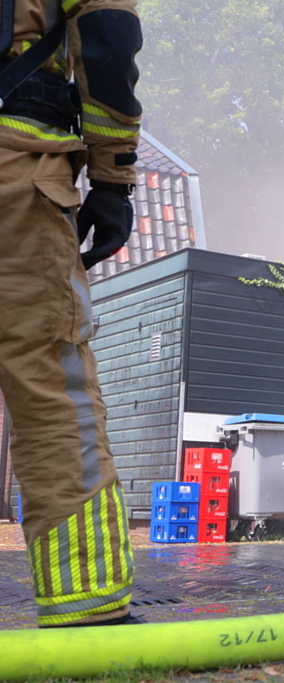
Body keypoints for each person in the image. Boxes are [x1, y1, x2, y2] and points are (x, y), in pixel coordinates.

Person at [0, 0, 144, 626]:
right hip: (14, 165)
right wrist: (112, 182)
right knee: (50, 383)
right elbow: (106, 37)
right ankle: (88, 607)